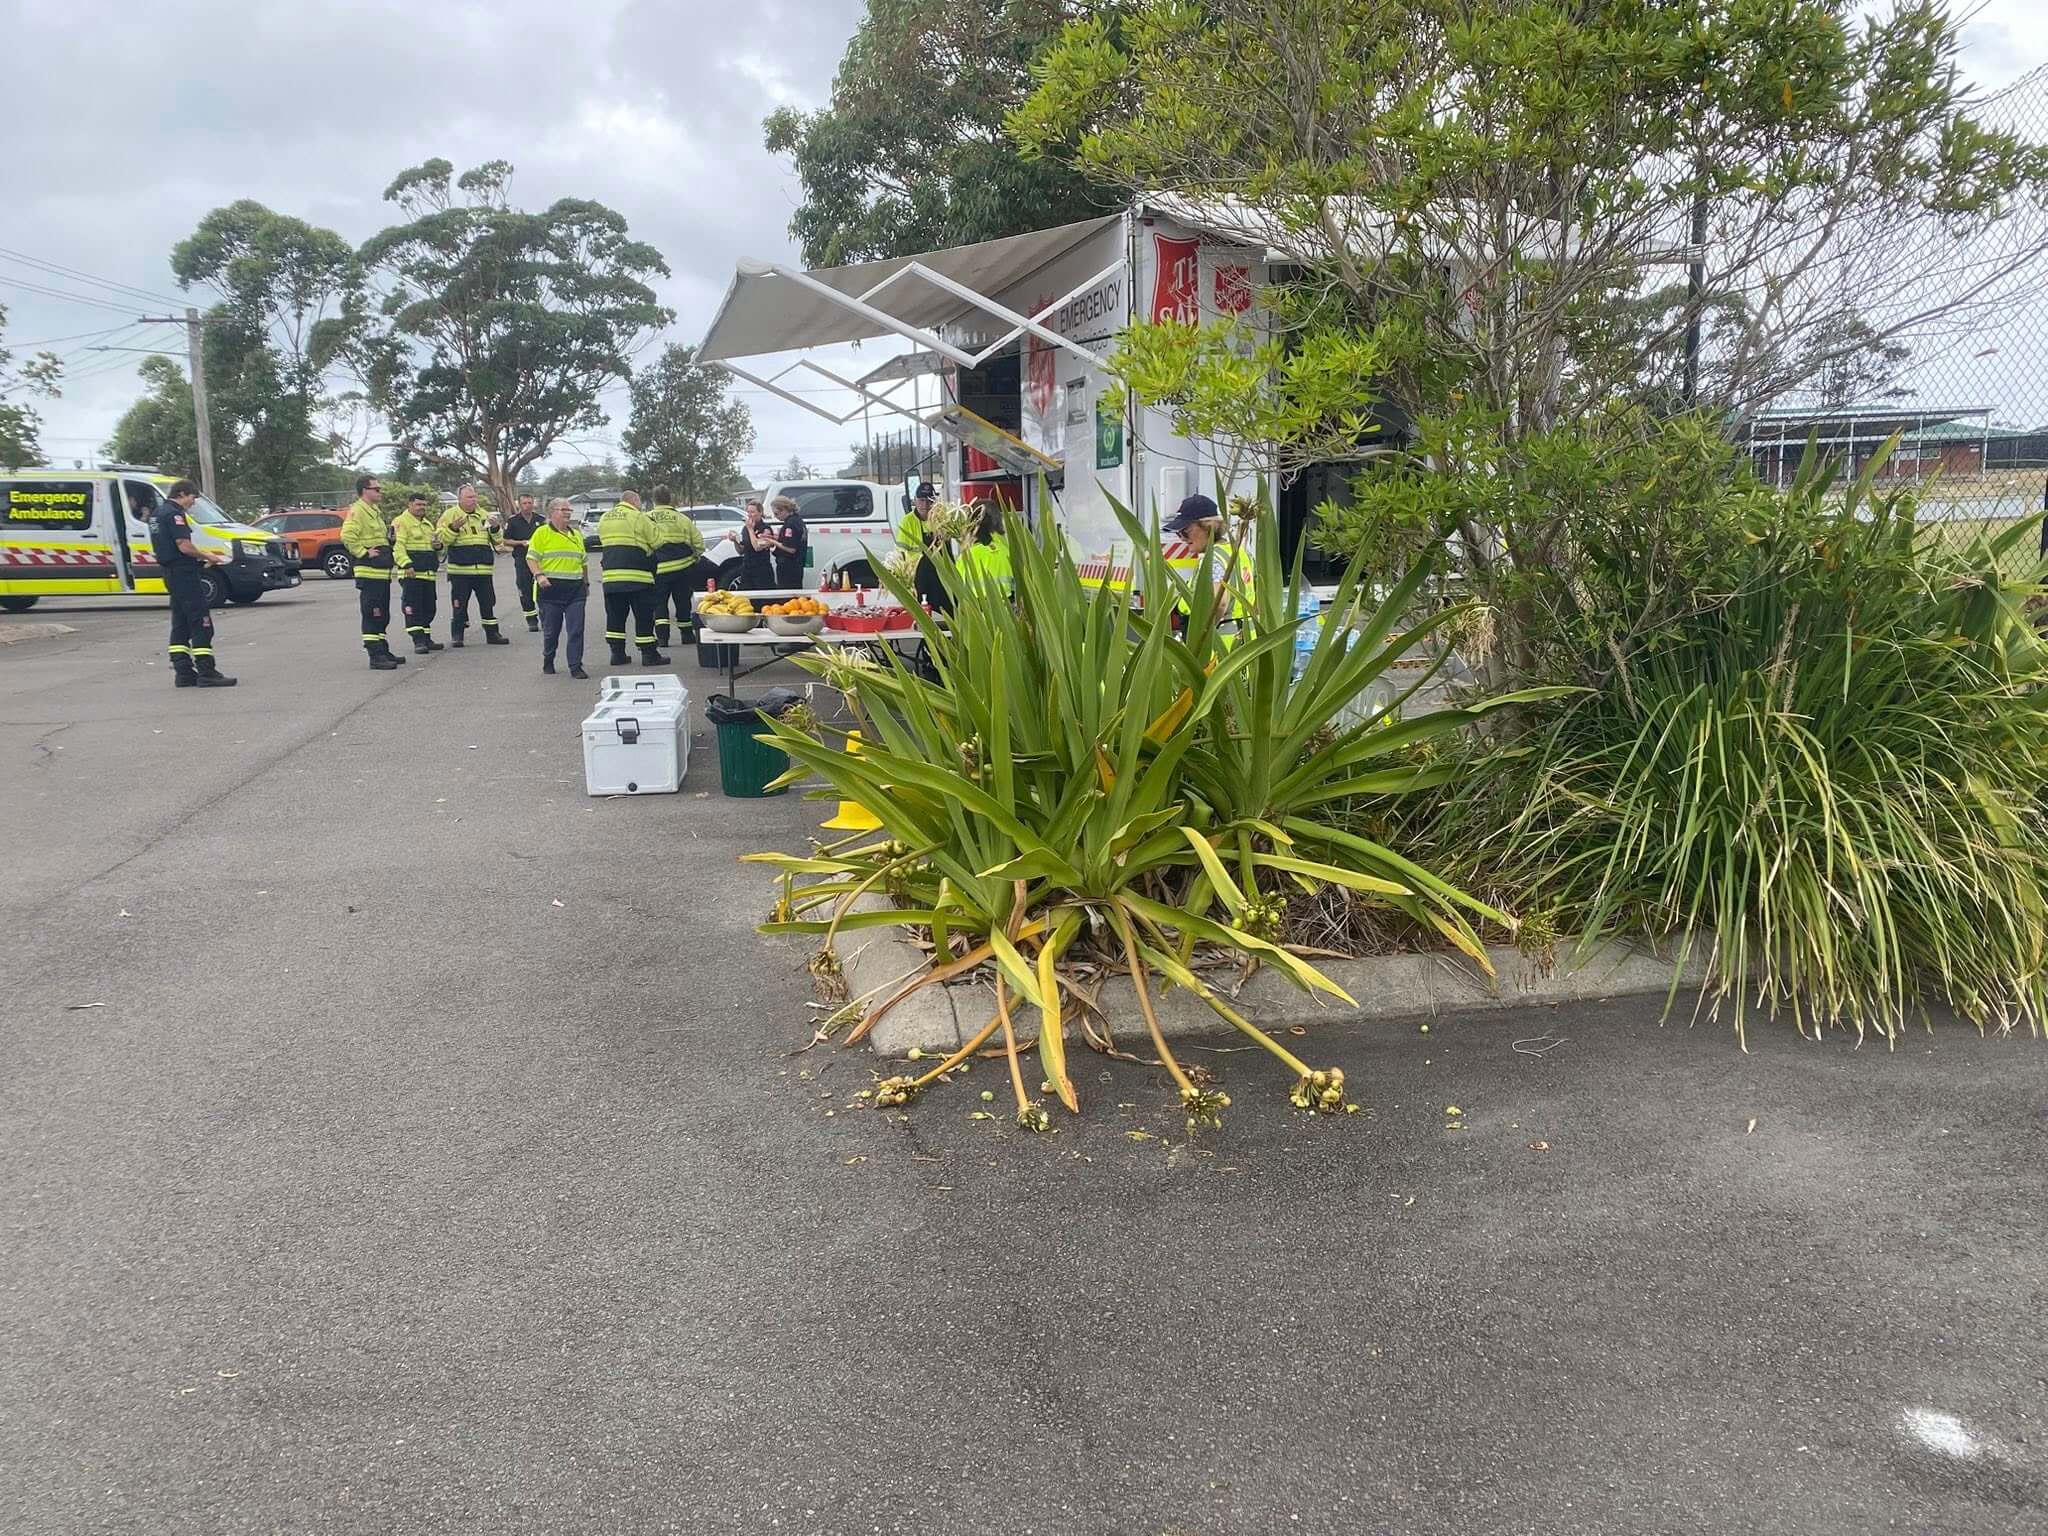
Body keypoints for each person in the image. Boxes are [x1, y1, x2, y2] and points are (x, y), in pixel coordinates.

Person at [150, 479, 236, 688]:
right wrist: (208, 556)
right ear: (181, 494)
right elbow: (184, 545)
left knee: (180, 623)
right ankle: (207, 672)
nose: (193, 502)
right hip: (184, 574)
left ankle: (183, 672)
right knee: (201, 622)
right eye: (192, 497)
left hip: (170, 573)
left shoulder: (157, 514)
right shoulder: (175, 515)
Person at [595, 489, 666, 667]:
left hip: (611, 577)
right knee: (643, 617)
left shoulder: (605, 518)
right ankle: (649, 654)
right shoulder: (639, 517)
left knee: (615, 617)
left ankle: (617, 654)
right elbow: (658, 541)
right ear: (634, 501)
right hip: (638, 577)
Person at [341, 474, 404, 670]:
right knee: (372, 613)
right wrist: (363, 552)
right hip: (369, 572)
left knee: (382, 614)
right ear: (364, 491)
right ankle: (375, 656)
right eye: (376, 489)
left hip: (380, 572)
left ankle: (383, 650)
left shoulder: (373, 511)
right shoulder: (358, 511)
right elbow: (347, 536)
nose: (380, 492)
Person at [439, 484, 509, 647]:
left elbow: (498, 541)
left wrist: (495, 528)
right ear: (460, 499)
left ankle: (492, 634)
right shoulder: (449, 515)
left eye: (475, 496)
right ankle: (457, 635)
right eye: (469, 497)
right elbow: (443, 541)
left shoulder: (484, 515)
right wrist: (453, 528)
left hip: (483, 570)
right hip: (460, 571)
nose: (473, 500)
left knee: (488, 603)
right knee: (459, 604)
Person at [528, 498, 590, 678]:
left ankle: (575, 666)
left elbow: (583, 562)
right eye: (564, 510)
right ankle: (548, 658)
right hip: (550, 590)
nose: (568, 513)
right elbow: (531, 558)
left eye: (569, 510)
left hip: (575, 591)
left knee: (576, 630)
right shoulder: (542, 533)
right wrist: (539, 575)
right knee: (551, 632)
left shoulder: (576, 534)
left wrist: (586, 583)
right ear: (552, 512)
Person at [647, 485, 705, 650]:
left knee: (659, 604)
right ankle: (687, 635)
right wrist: (694, 557)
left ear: (654, 500)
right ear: (670, 499)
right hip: (682, 569)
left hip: (657, 571)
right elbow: (699, 543)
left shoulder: (646, 518)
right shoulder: (682, 519)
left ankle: (662, 638)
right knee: (683, 602)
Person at [391, 493, 445, 655]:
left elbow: (431, 546)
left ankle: (427, 639)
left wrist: (438, 546)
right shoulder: (401, 522)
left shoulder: (427, 524)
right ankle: (418, 641)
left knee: (429, 607)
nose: (422, 507)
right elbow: (397, 546)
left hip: (428, 573)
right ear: (409, 504)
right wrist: (406, 564)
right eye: (418, 504)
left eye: (424, 505)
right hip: (412, 574)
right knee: (413, 608)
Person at [500, 493, 542, 632]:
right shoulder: (513, 521)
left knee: (543, 588)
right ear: (519, 504)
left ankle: (545, 616)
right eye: (524, 503)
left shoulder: (540, 520)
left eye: (530, 503)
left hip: (540, 560)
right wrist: (520, 542)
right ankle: (531, 620)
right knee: (525, 589)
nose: (527, 506)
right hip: (522, 559)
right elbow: (505, 540)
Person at [959, 502, 1014, 599]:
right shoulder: (1005, 551)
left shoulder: (966, 556)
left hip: (977, 607)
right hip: (1007, 606)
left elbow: (958, 587)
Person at [735, 497, 776, 590]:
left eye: (752, 512)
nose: (750, 515)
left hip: (761, 569)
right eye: (748, 512)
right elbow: (741, 551)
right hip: (747, 567)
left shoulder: (765, 529)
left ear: (760, 512)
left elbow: (757, 547)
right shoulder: (745, 528)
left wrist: (751, 530)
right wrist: (735, 541)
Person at [770, 494, 809, 588]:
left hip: (788, 566)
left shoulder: (790, 524)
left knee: (787, 593)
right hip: (797, 565)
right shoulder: (798, 520)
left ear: (784, 509)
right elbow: (790, 540)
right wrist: (774, 537)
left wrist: (772, 542)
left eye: (776, 513)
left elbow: (791, 548)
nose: (775, 517)